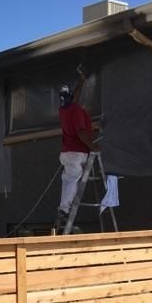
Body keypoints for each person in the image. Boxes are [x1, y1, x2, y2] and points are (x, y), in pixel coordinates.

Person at [56, 72, 99, 228]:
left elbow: (74, 97)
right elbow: (81, 133)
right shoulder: (77, 111)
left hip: (67, 152)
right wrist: (94, 147)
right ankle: (65, 210)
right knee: (73, 180)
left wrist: (81, 81)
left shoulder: (63, 109)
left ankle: (63, 208)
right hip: (77, 152)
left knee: (67, 181)